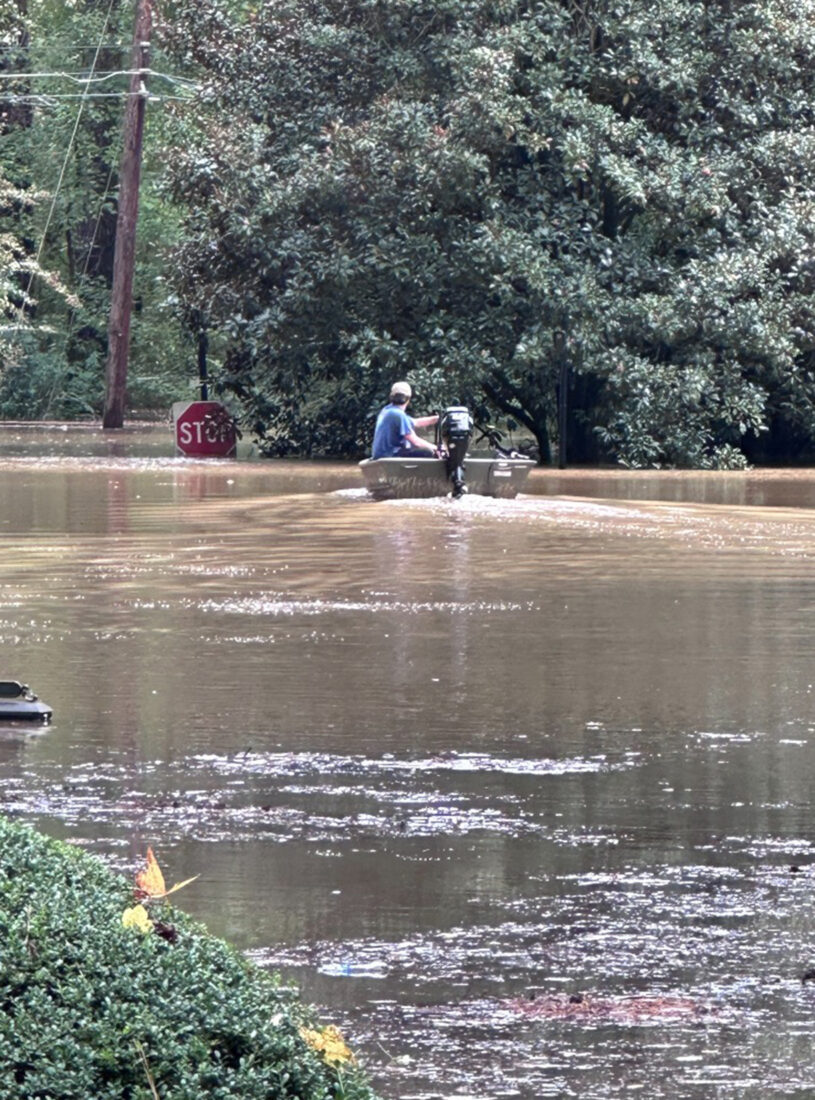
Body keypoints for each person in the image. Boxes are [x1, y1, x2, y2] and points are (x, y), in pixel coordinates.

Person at [371, 381, 441, 459]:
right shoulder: (398, 415)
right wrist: (438, 448)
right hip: (390, 455)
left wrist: (437, 418)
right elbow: (416, 442)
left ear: (391, 396)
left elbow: (416, 422)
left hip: (382, 454)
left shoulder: (387, 410)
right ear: (408, 398)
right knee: (428, 452)